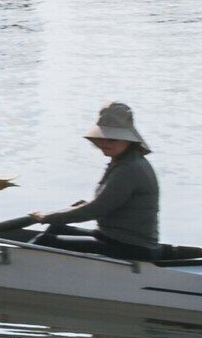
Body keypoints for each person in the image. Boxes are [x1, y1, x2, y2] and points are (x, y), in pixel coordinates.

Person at [37, 102, 160, 261]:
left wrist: (46, 216)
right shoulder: (122, 161)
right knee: (56, 228)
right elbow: (108, 202)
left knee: (44, 241)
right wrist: (60, 216)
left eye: (112, 139)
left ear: (128, 140)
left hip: (132, 248)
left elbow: (95, 210)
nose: (105, 143)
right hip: (110, 237)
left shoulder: (129, 169)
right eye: (103, 137)